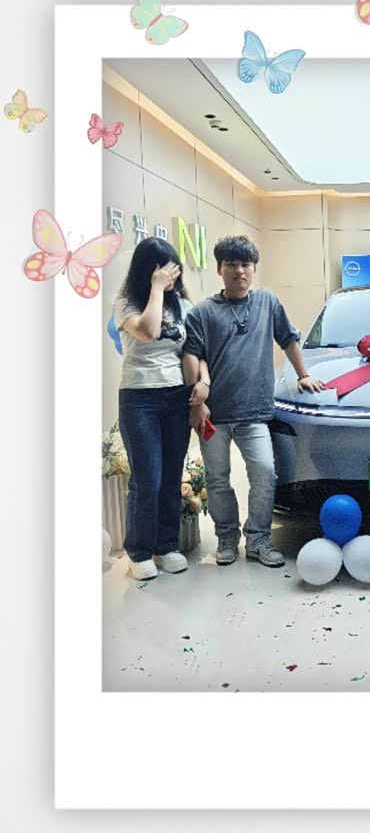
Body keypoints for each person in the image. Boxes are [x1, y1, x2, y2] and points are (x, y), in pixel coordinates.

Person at [182, 234, 324, 568]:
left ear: (254, 269)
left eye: (245, 264)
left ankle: (258, 539)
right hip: (214, 415)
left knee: (265, 473)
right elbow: (193, 356)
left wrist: (303, 374)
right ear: (219, 269)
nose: (239, 271)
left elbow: (288, 339)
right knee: (218, 479)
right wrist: (196, 403)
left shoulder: (268, 302)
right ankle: (226, 539)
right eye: (231, 264)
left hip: (255, 412)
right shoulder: (202, 312)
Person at [114, 237, 208, 581]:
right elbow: (150, 330)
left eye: (173, 268)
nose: (171, 274)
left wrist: (203, 384)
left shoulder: (183, 305)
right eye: (163, 269)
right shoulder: (126, 303)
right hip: (139, 398)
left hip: (176, 397)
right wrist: (155, 288)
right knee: (147, 478)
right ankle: (139, 551)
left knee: (170, 476)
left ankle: (167, 545)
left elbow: (195, 350)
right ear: (148, 270)